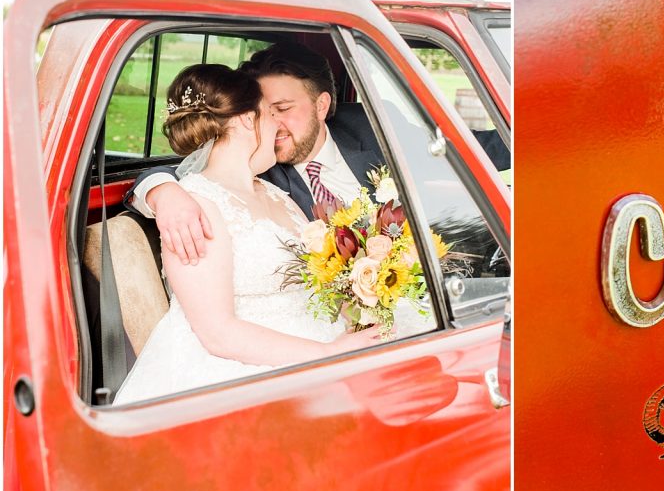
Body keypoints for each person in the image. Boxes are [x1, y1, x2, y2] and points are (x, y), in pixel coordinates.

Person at [114, 64, 390, 405]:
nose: (278, 125)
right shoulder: (195, 207)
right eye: (271, 113)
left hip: (321, 334)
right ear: (247, 119)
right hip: (237, 367)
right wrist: (327, 353)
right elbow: (217, 333)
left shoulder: (276, 194)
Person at [129, 40, 510, 265]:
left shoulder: (370, 126)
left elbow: (471, 150)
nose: (272, 125)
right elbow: (178, 171)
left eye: (284, 109)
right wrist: (163, 193)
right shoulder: (254, 166)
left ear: (322, 105)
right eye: (262, 111)